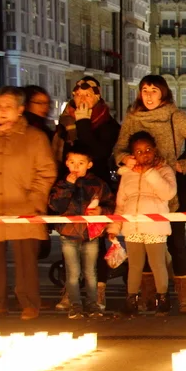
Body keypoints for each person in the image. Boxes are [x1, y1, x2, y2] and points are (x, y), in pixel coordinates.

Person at [114, 75, 186, 313]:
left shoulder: (175, 116)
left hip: (169, 187)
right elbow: (120, 147)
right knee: (142, 246)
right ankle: (149, 297)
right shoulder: (133, 117)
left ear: (163, 93)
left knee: (176, 243)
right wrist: (124, 158)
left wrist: (184, 165)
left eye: (154, 90)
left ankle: (184, 299)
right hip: (139, 189)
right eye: (144, 90)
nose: (148, 95)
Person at [52, 76, 121, 312]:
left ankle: (97, 292)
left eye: (88, 95)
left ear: (97, 97)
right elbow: (59, 152)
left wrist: (83, 123)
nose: (82, 99)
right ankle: (70, 293)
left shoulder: (108, 124)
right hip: (69, 189)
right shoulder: (65, 121)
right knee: (70, 249)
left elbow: (98, 152)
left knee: (95, 248)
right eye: (78, 95)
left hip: (95, 187)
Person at [0, 87, 57, 320]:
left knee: (26, 261)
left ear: (20, 110)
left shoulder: (34, 137)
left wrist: (34, 200)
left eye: (8, 107)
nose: (2, 111)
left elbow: (46, 172)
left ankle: (29, 303)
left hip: (24, 207)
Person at [108, 131, 177, 316]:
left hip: (155, 226)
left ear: (154, 150)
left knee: (157, 264)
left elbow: (168, 193)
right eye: (139, 151)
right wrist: (115, 226)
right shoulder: (127, 174)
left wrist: (149, 173)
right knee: (134, 265)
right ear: (132, 155)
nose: (144, 154)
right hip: (133, 226)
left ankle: (163, 299)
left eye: (148, 149)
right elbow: (121, 204)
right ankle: (131, 300)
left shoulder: (164, 170)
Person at [48, 144, 116, 319]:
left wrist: (101, 210)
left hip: (91, 234)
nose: (76, 167)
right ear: (66, 163)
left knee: (90, 272)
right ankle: (75, 305)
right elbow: (56, 206)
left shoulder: (98, 184)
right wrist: (68, 186)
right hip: (69, 234)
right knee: (73, 272)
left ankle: (93, 304)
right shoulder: (62, 184)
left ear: (89, 164)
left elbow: (111, 204)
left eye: (81, 163)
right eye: (72, 162)